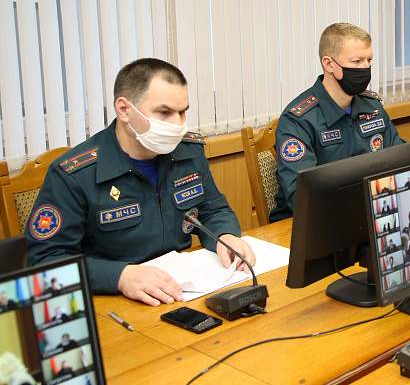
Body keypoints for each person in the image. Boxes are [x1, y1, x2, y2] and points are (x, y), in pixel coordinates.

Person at [26, 59, 254, 306]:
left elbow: (213, 210)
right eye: (164, 113)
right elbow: (45, 262)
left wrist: (225, 236)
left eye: (182, 112)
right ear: (124, 110)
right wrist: (119, 277)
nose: (177, 124)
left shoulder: (189, 151)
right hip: (115, 301)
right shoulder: (74, 173)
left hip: (186, 291)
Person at [272, 23, 404, 221]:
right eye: (356, 61)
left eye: (369, 60)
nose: (365, 68)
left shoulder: (372, 107)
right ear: (329, 64)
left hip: (368, 213)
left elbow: (401, 159)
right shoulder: (298, 120)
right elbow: (301, 197)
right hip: (310, 223)